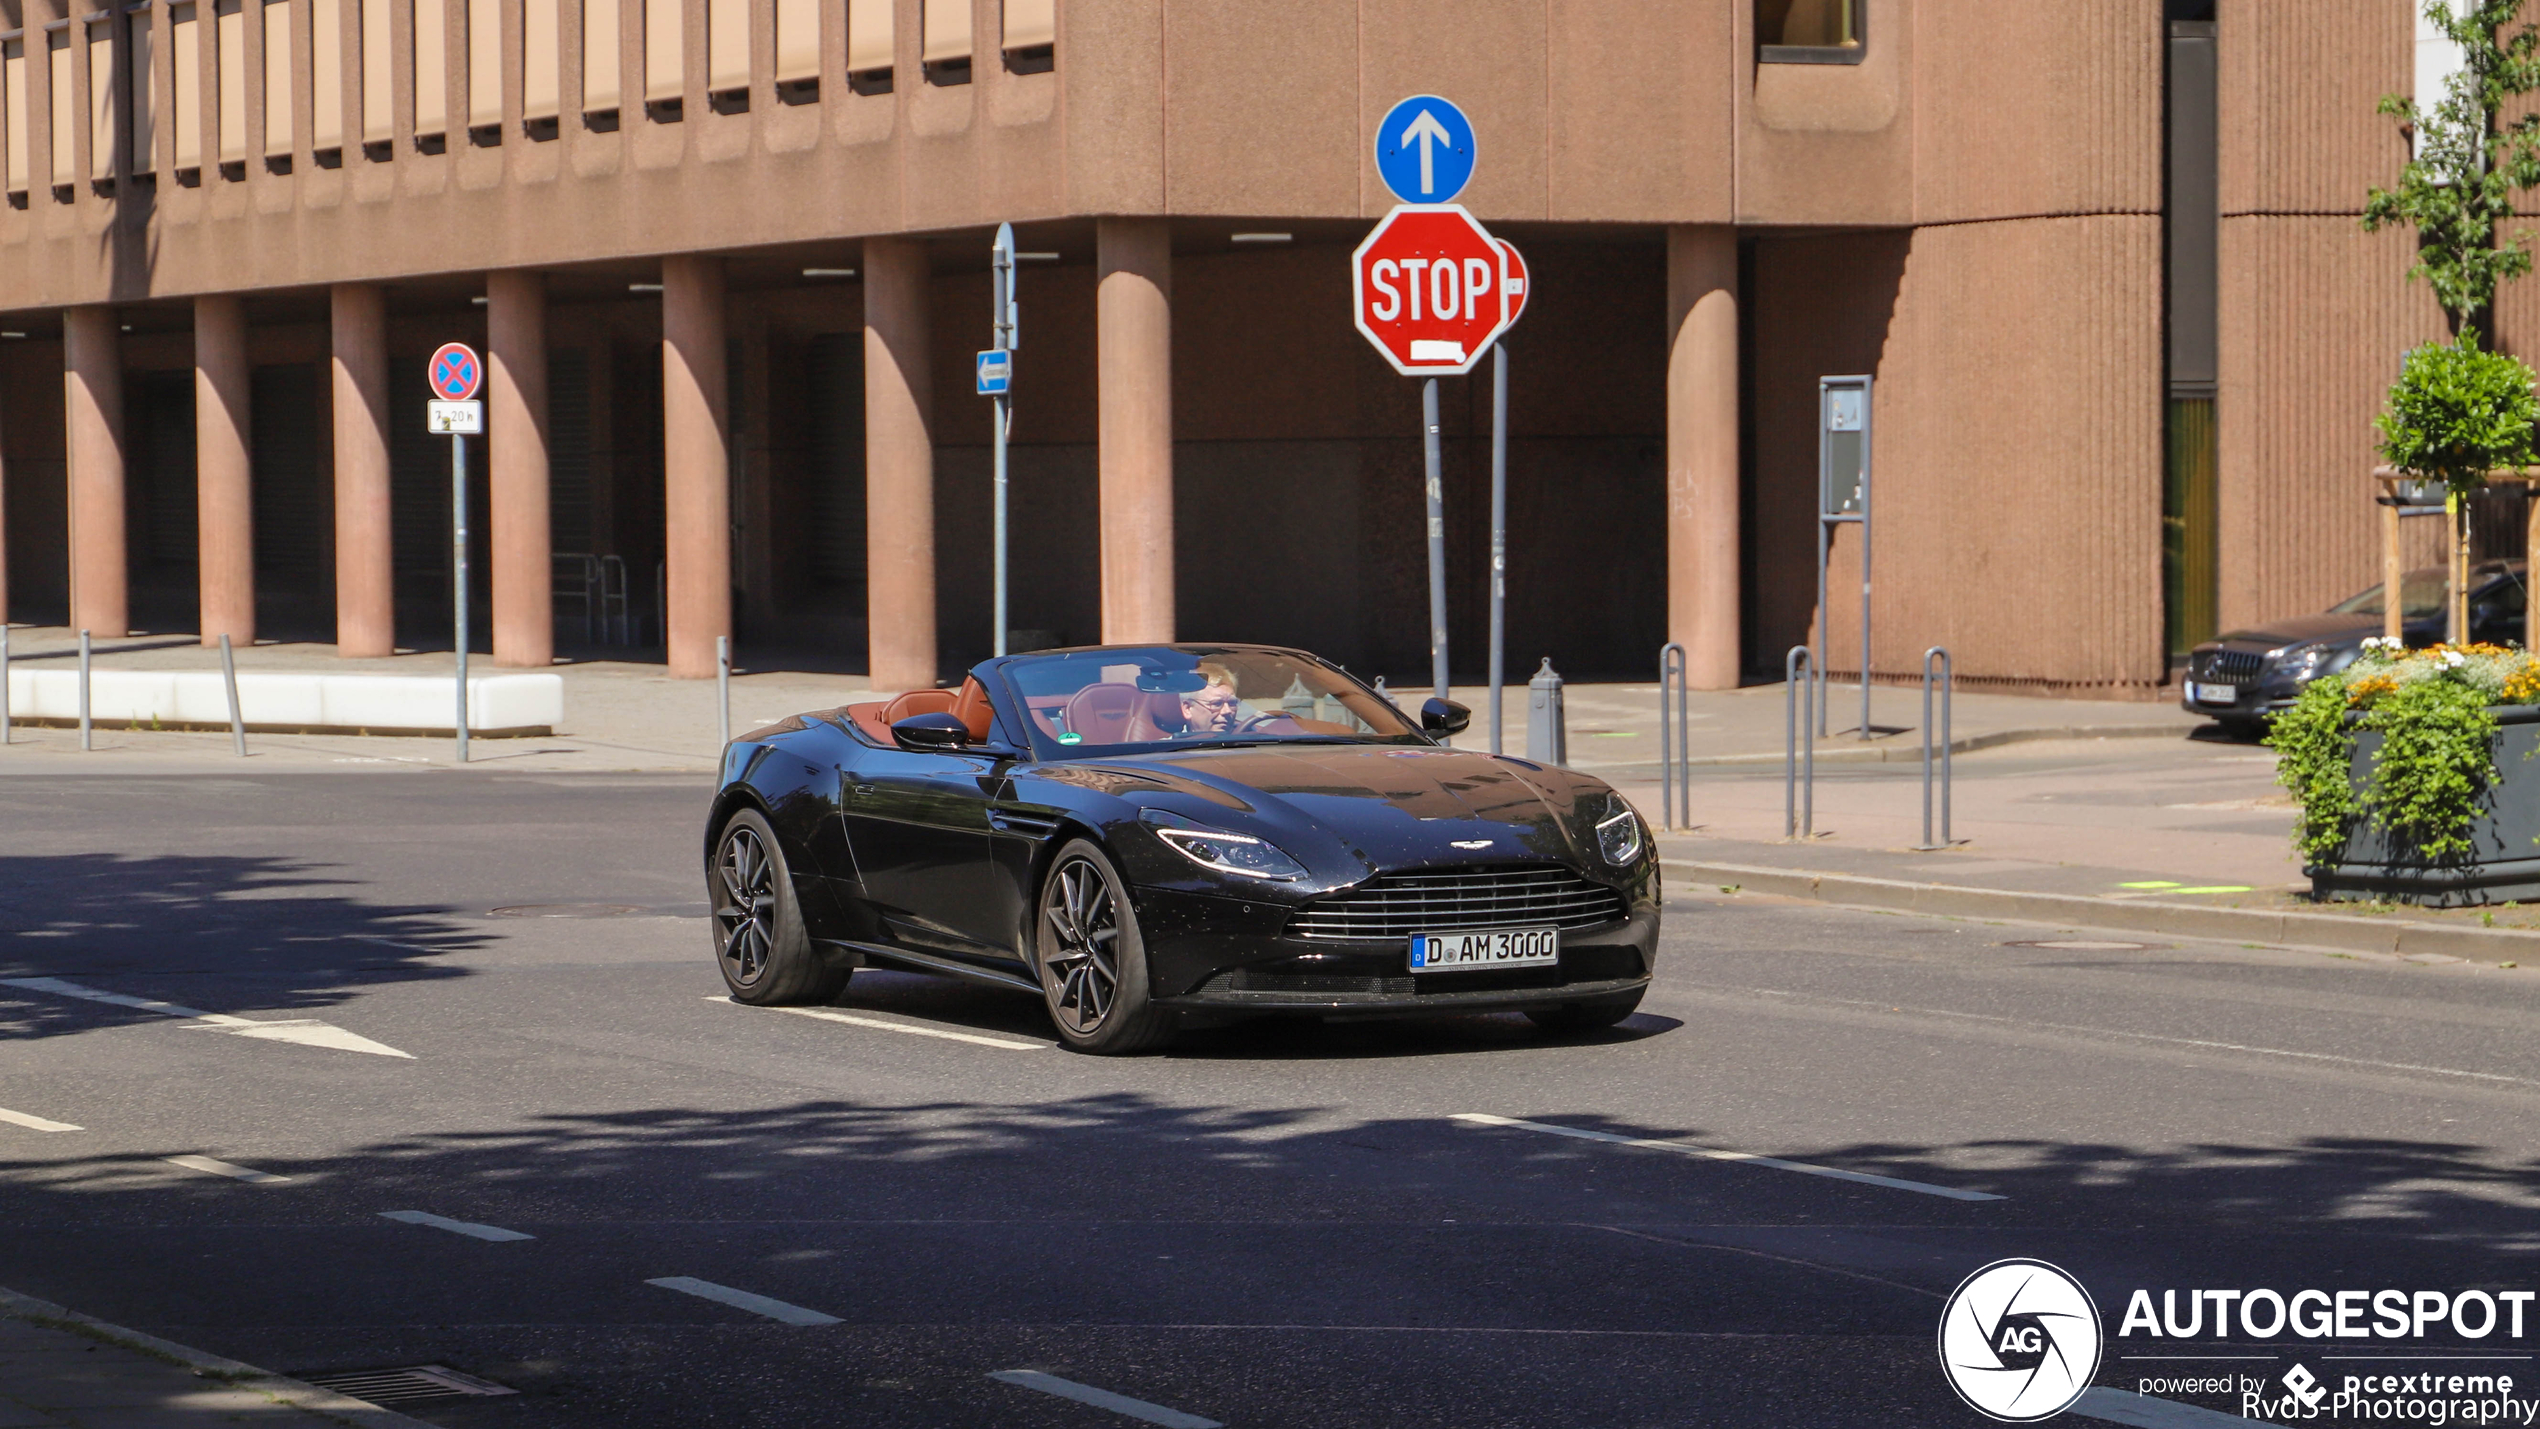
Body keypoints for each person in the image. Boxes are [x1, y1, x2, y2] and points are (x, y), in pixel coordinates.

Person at [1180, 661, 1245, 734]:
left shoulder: (1252, 739)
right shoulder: (1170, 744)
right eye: (1217, 703)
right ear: (1187, 709)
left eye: (1232, 703)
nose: (1227, 711)